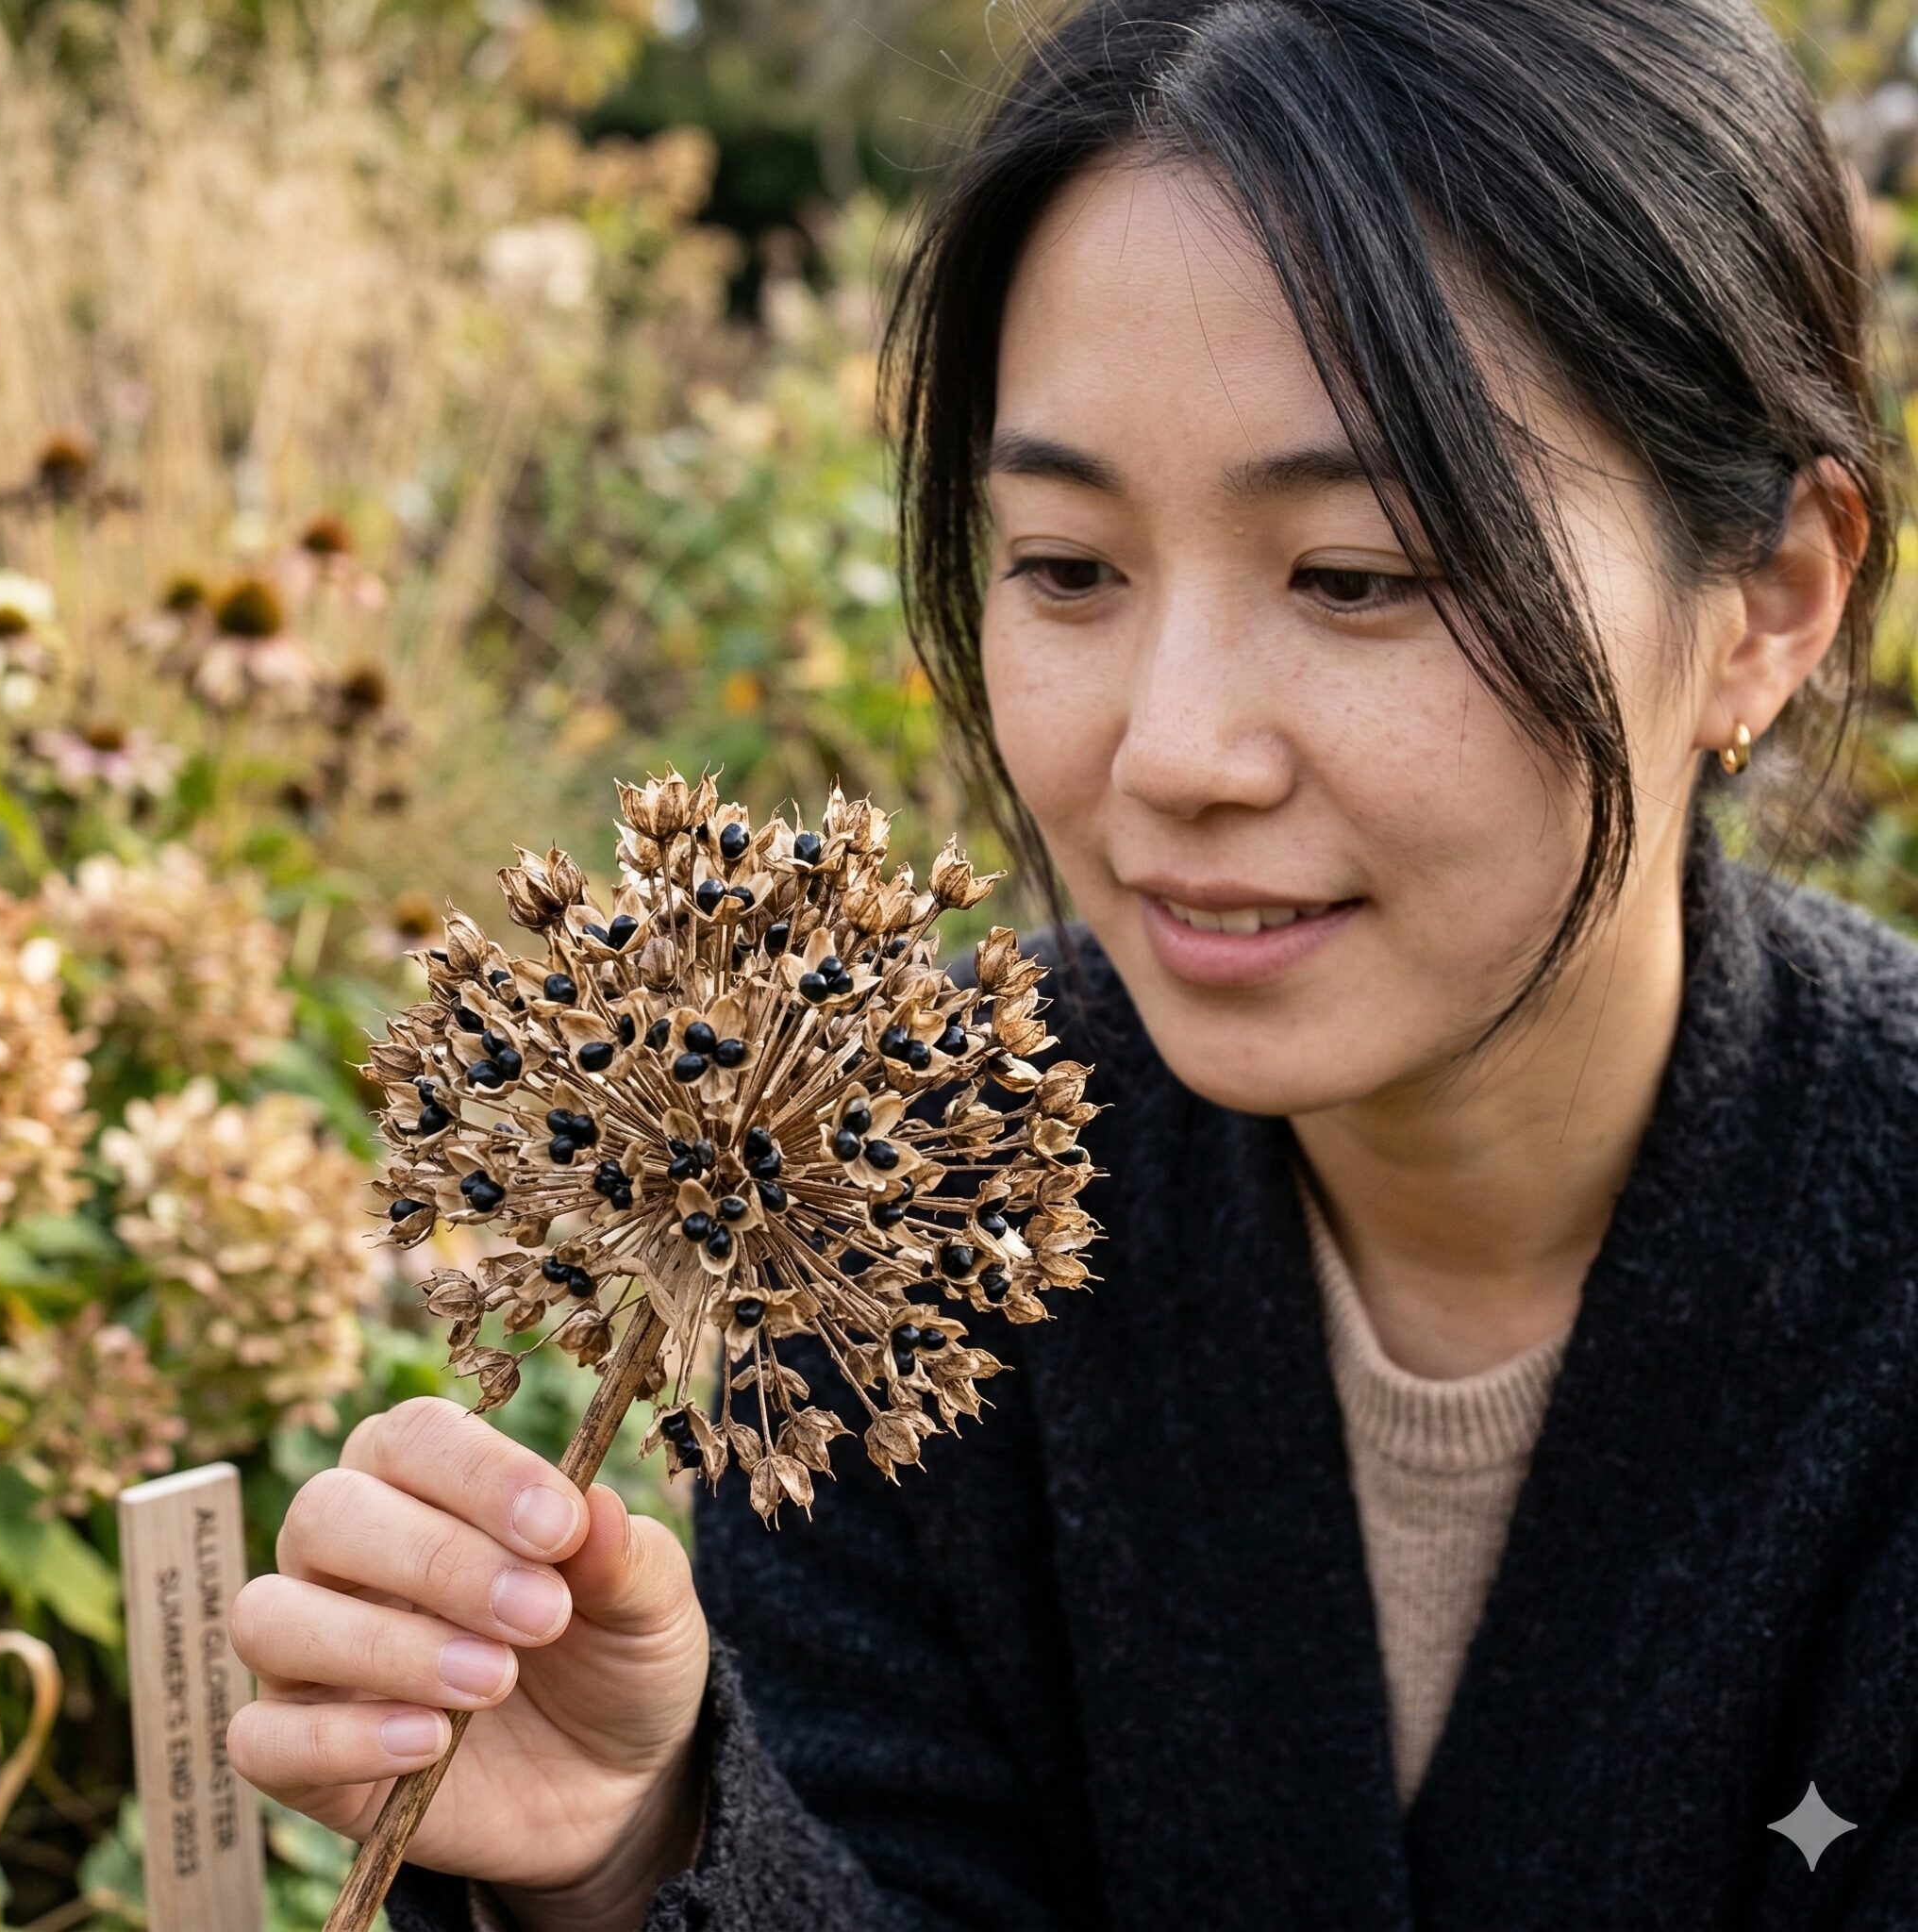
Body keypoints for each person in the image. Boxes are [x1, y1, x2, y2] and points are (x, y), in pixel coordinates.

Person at [226, 1, 1918, 1925]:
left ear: (1772, 597)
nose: (1172, 752)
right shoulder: (883, 1187)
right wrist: (635, 1851)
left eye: (1355, 576)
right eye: (1065, 567)